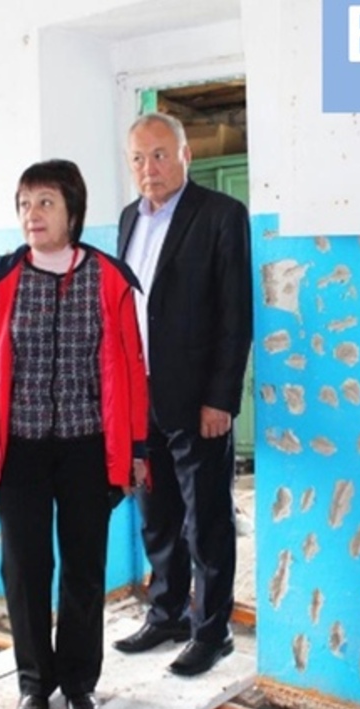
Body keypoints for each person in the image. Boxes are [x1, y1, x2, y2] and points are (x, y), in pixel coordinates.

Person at [0, 159, 149, 709]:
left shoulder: (110, 279)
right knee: (25, 569)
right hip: (20, 449)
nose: (32, 214)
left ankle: (80, 682)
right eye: (24, 203)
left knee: (85, 569)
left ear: (73, 211)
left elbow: (132, 371)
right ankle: (34, 685)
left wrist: (136, 450)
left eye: (45, 202)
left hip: (89, 447)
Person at [111, 112, 253, 677]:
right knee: (157, 514)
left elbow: (234, 313)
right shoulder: (129, 219)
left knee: (207, 520)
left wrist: (221, 398)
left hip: (198, 401)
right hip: (140, 396)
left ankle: (212, 631)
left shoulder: (221, 215)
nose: (149, 168)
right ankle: (166, 613)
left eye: (160, 155)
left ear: (185, 155)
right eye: (138, 158)